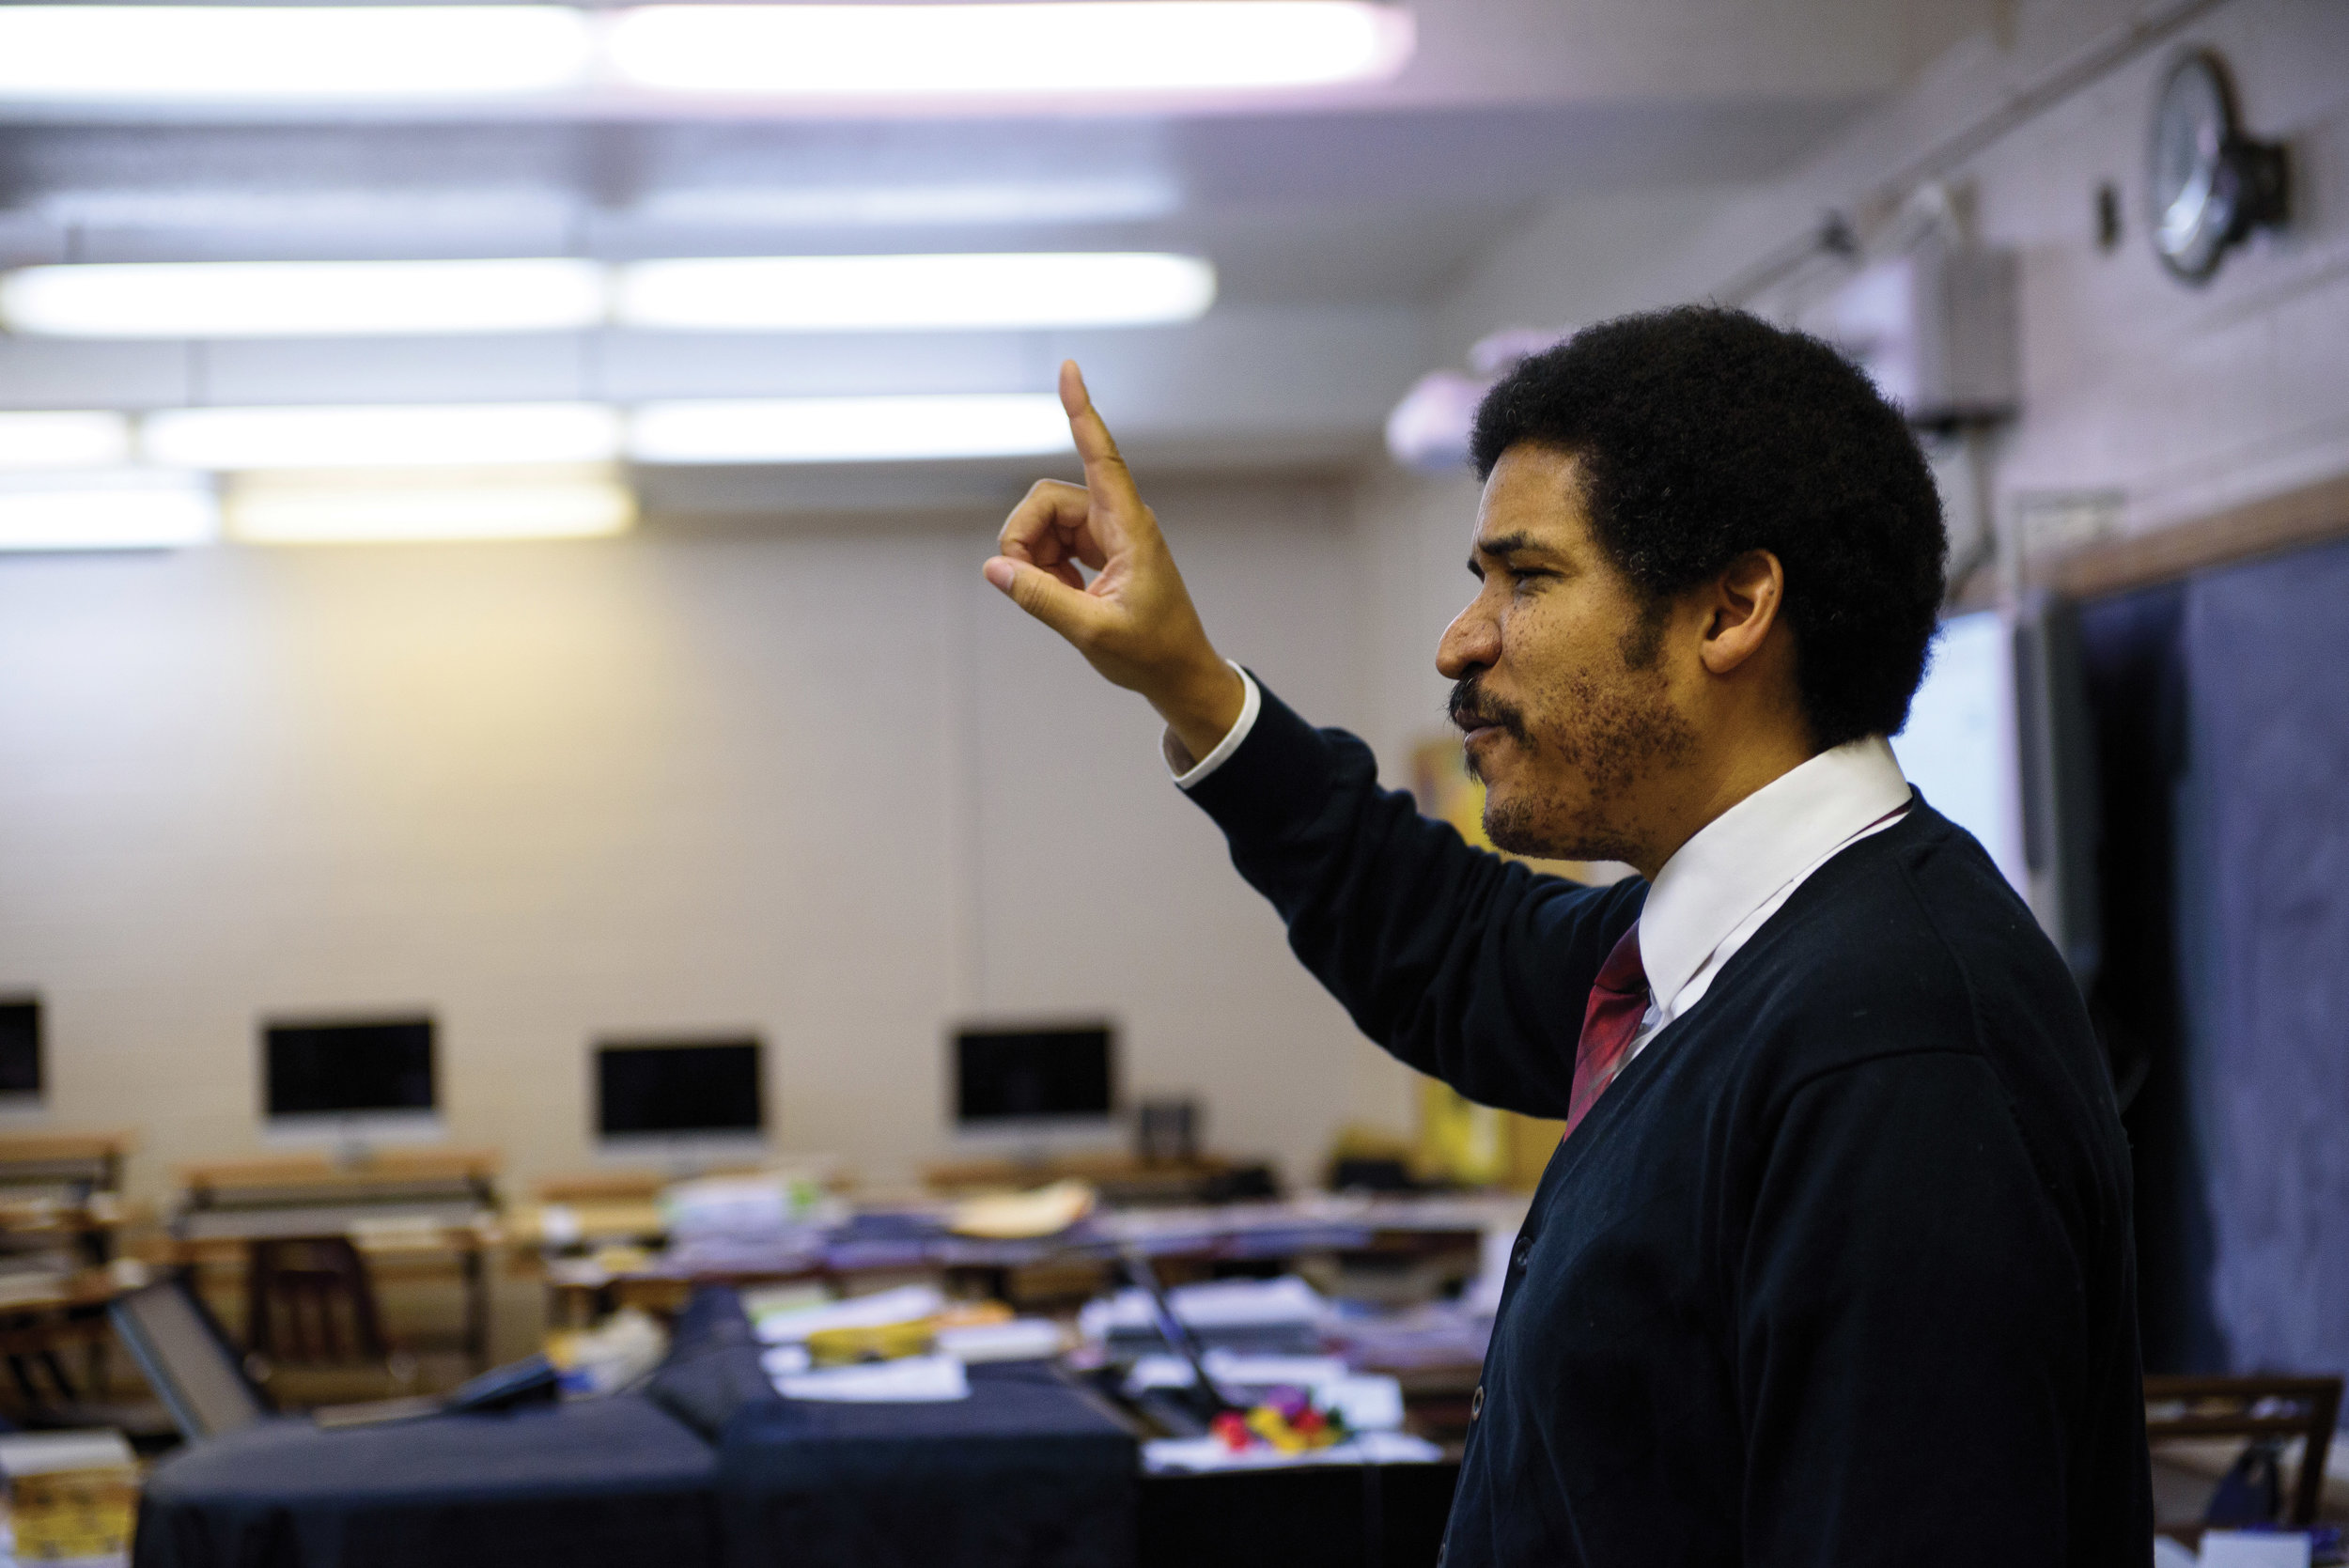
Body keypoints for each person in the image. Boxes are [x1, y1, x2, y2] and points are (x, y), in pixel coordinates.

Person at [982, 306, 2152, 1565]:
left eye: (1526, 578)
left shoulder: (1898, 1051)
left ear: (1732, 608)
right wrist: (1189, 681)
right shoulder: (1728, 956)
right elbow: (1446, 938)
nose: (1461, 640)